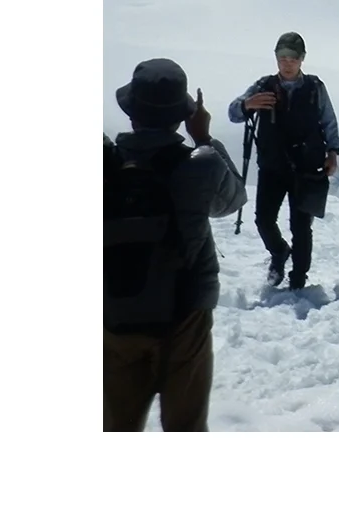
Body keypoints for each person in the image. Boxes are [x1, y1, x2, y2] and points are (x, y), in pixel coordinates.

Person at [104, 59, 249, 431]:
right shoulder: (200, 165)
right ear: (182, 114)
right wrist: (203, 137)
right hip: (185, 314)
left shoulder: (103, 163)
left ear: (131, 112)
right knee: (185, 427)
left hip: (113, 310)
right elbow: (232, 201)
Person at [228, 31, 339, 290]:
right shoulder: (262, 86)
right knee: (263, 220)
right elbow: (233, 113)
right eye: (282, 57)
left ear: (302, 59)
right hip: (272, 165)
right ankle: (279, 252)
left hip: (306, 166)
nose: (286, 62)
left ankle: (299, 278)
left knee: (301, 226)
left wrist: (332, 151)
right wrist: (248, 104)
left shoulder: (315, 88)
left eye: (292, 57)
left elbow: (328, 121)